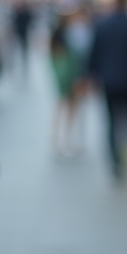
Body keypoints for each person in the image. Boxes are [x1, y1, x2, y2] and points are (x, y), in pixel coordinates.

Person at [87, 0, 127, 181]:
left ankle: (115, 162)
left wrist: (90, 76)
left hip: (109, 81)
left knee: (112, 122)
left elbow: (94, 53)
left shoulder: (102, 25)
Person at [49, 16, 81, 156]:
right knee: (65, 108)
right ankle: (61, 140)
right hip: (68, 79)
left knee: (64, 108)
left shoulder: (63, 36)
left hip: (67, 78)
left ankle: (61, 139)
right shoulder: (63, 38)